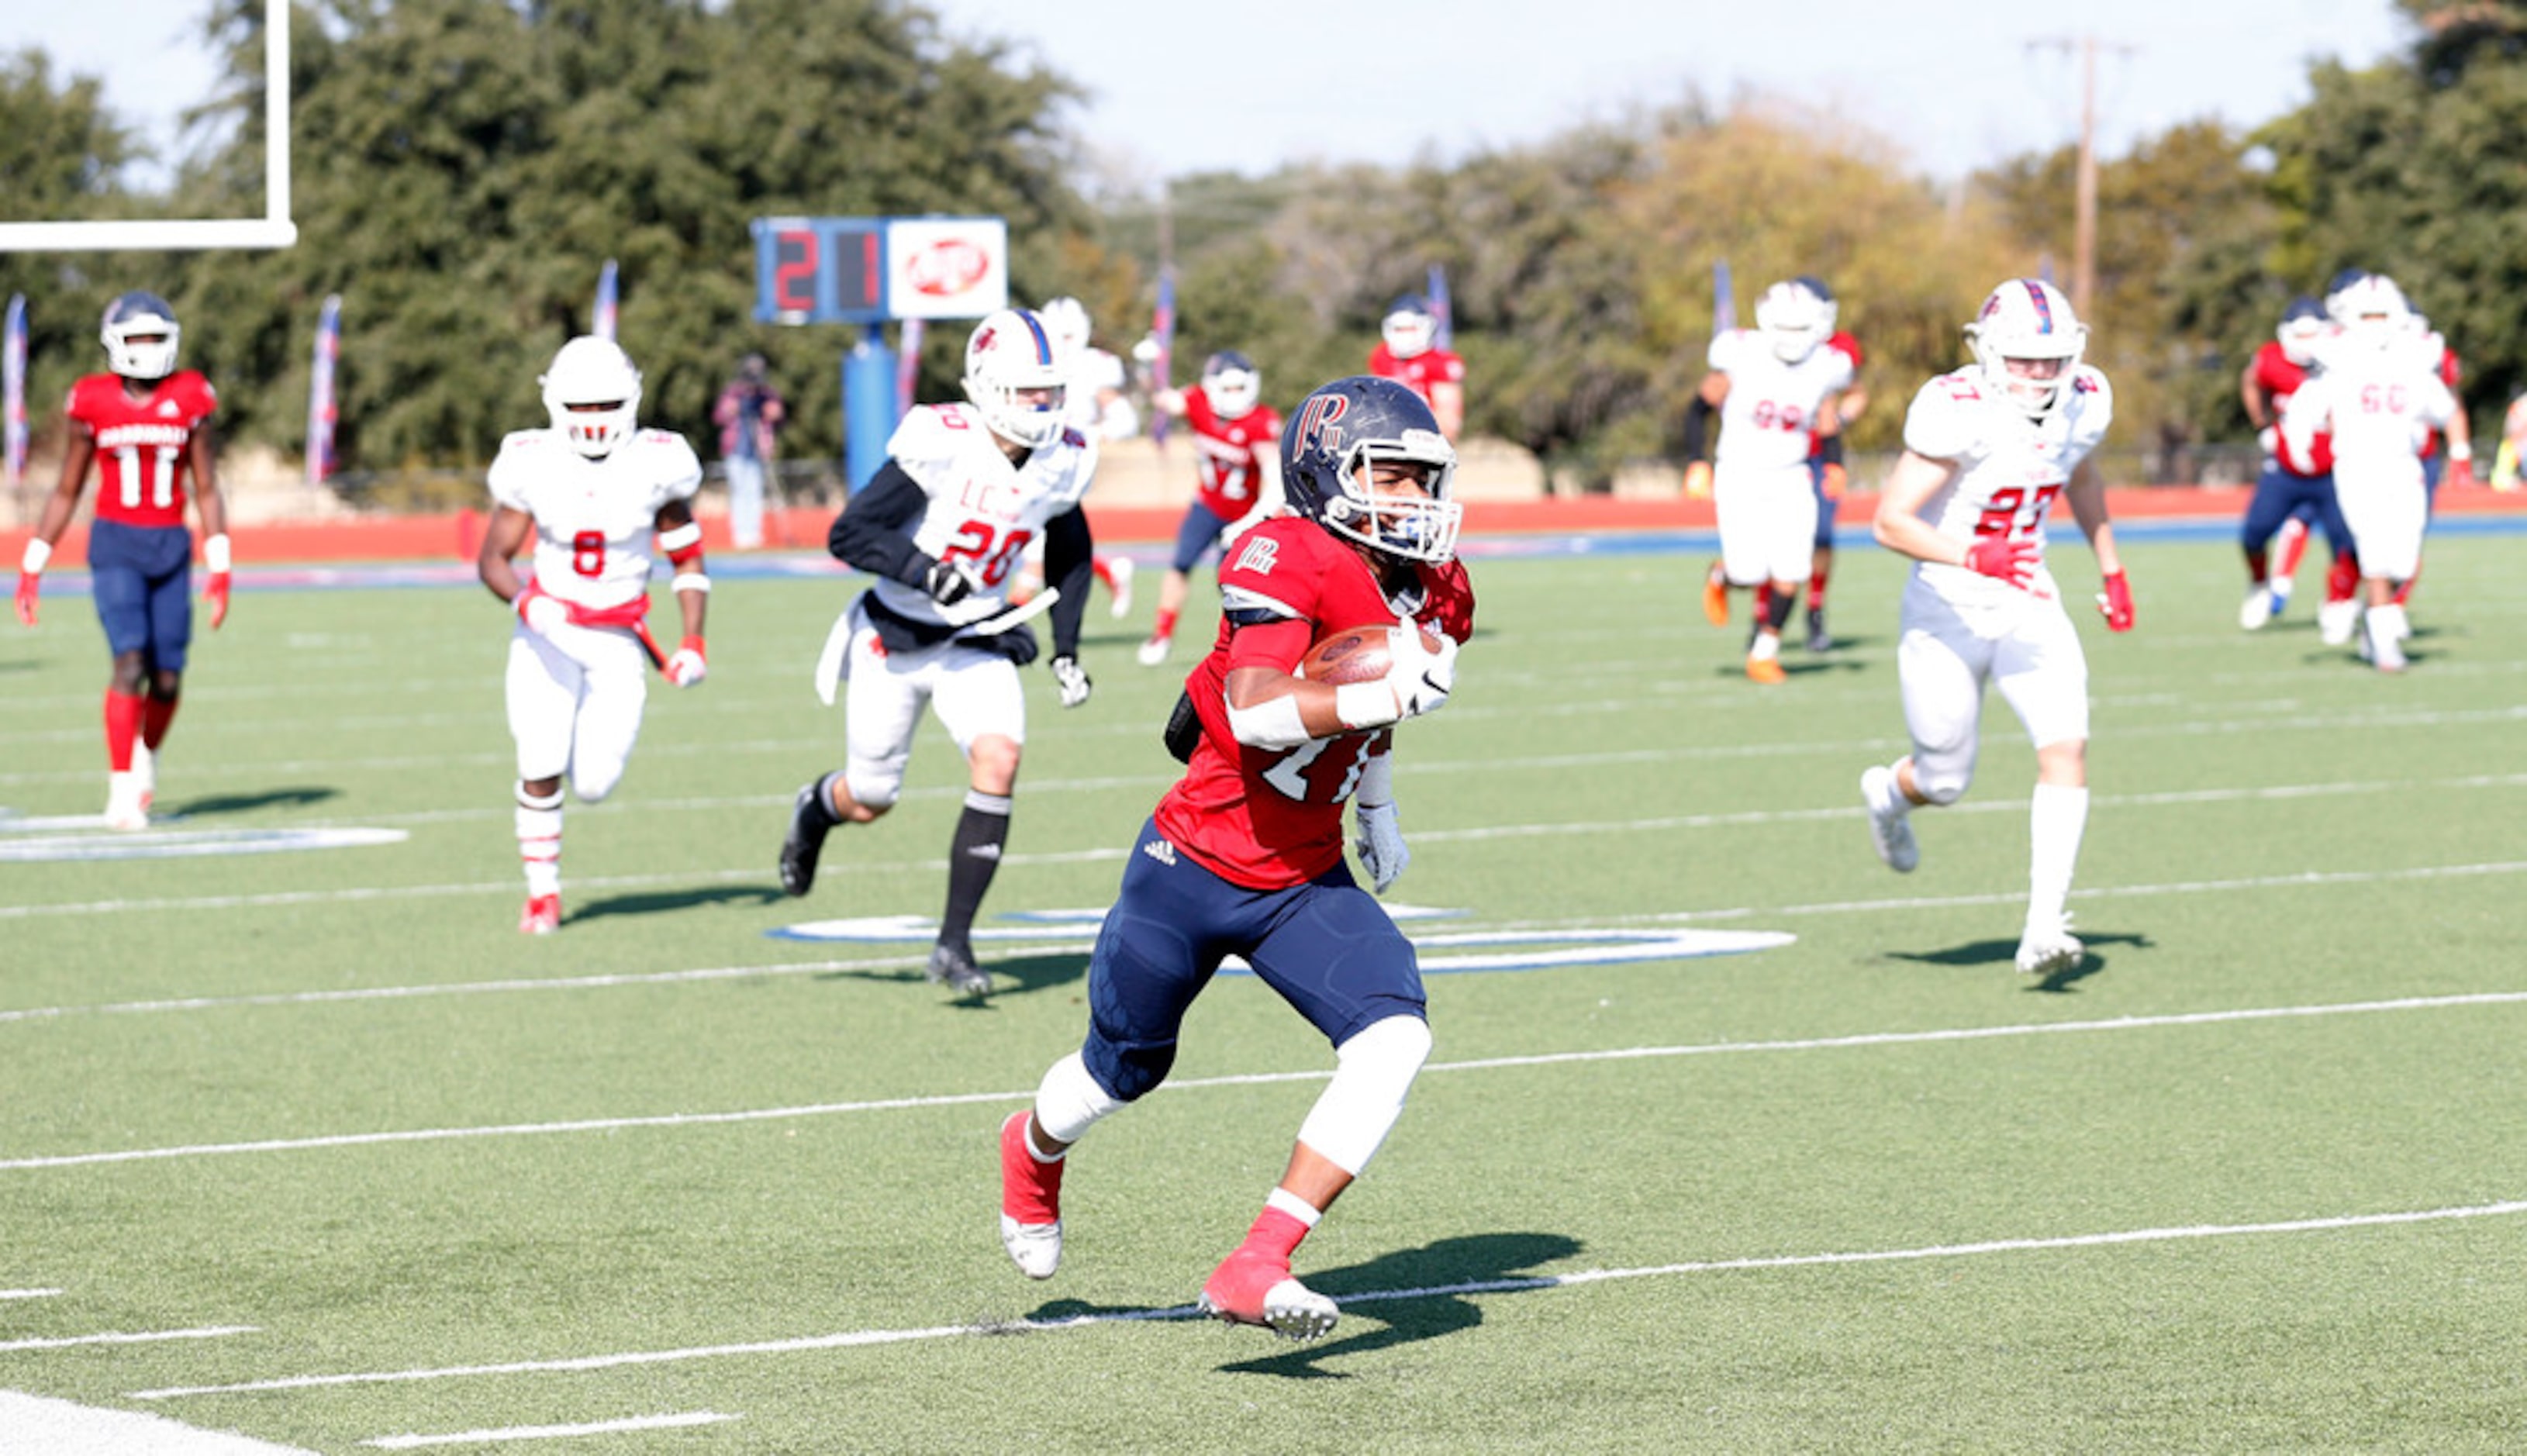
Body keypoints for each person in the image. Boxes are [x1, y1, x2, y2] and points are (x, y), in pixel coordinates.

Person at [996, 374, 1472, 1344]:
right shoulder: (1281, 547)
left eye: (1425, 482)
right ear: (1324, 475)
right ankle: (1031, 1149)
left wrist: (1376, 805)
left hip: (1302, 878)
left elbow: (1370, 720)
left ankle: (1259, 1258)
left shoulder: (1438, 589)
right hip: (1194, 862)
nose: (1414, 504)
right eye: (1391, 478)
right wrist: (1381, 699)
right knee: (1116, 1074)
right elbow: (1258, 712)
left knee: (1396, 1036)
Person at [777, 308, 1100, 998]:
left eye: (1049, 391)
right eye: (1025, 391)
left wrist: (1065, 646)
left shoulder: (1064, 457)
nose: (1041, 407)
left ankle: (954, 943)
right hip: (892, 634)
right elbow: (851, 533)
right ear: (984, 386)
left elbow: (1072, 548)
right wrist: (925, 570)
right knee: (869, 797)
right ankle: (815, 807)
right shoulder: (942, 440)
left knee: (999, 759)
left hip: (975, 636)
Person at [1857, 278, 2132, 978]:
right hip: (1946, 603)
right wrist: (1973, 554)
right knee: (1945, 780)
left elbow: (2081, 474)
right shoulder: (1956, 410)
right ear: (1986, 354)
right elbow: (1889, 521)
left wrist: (2110, 568)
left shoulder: (2086, 399)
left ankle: (2044, 924)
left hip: (2028, 596)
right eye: (2021, 359)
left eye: (2050, 358)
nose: (2038, 373)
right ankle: (1890, 795)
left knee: (2065, 748)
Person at [477, 336, 709, 933]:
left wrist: (692, 642)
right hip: (548, 637)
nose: (593, 419)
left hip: (617, 641)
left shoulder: (658, 461)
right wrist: (529, 605)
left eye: (605, 405)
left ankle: (550, 867)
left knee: (596, 784)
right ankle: (542, 894)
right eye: (580, 406)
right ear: (555, 404)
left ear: (630, 401)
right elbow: (493, 560)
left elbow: (687, 557)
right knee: (539, 757)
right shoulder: (532, 459)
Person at [15, 291, 231, 830]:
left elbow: (206, 486)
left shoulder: (191, 395)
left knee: (167, 680)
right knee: (129, 664)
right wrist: (33, 563)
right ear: (114, 343)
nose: (146, 348)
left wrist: (221, 563)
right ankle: (119, 786)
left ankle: (146, 759)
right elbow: (67, 488)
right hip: (115, 546)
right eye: (136, 337)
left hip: (171, 549)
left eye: (155, 337)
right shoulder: (92, 399)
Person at [2280, 274, 2456, 673]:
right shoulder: (2339, 355)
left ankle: (2375, 620)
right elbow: (2307, 404)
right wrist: (2299, 440)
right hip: (2358, 466)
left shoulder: (2412, 356)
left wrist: (2458, 446)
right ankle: (2383, 641)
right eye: (2368, 313)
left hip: (2403, 464)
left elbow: (2445, 408)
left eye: (2382, 313)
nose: (2375, 321)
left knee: (2405, 560)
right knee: (2375, 551)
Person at [1681, 278, 1852, 684]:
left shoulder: (1825, 364)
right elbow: (1697, 408)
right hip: (1739, 471)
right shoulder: (1741, 354)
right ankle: (1724, 575)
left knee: (1792, 569)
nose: (1794, 339)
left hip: (1792, 475)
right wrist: (1696, 462)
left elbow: (1826, 419)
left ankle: (1765, 652)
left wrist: (1833, 464)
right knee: (1749, 572)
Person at [1136, 350, 1286, 665]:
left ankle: (1253, 647)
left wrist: (1251, 520)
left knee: (1237, 584)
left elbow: (1276, 481)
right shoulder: (1199, 402)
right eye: (1227, 389)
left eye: (1239, 389)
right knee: (1180, 564)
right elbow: (1162, 398)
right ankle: (1161, 635)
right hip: (1208, 504)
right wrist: (1147, 364)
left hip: (1246, 514)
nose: (1233, 397)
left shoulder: (1261, 422)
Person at [2234, 297, 2356, 632]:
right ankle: (2259, 584)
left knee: (2346, 544)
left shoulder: (2344, 362)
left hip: (2333, 471)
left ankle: (2338, 601)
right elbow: (2250, 381)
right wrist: (2262, 426)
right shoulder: (2272, 360)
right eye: (2299, 336)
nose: (2306, 344)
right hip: (2286, 470)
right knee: (2253, 535)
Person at [1034, 296, 1135, 617]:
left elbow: (1124, 419)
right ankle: (1110, 572)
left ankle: (1000, 625)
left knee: (1035, 537)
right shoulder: (1035, 361)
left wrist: (1090, 435)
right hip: (1040, 454)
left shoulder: (1094, 364)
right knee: (1039, 534)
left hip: (1067, 460)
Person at [1796, 274, 1866, 652]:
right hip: (1775, 457)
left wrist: (1840, 420)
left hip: (1822, 454)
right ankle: (1762, 618)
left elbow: (1855, 395)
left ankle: (1815, 611)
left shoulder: (1838, 349)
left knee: (1822, 536)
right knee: (1774, 539)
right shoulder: (1763, 348)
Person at [711, 352, 785, 550]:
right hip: (736, 449)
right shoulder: (733, 393)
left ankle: (753, 535)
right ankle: (741, 535)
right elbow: (718, 417)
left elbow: (779, 416)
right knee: (739, 491)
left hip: (758, 450)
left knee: (754, 491)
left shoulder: (767, 395)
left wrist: (774, 414)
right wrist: (730, 410)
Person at [1366, 295, 1466, 440]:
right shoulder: (1381, 357)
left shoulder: (1441, 362)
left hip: (1425, 439)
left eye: (1411, 329)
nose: (1405, 335)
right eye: (1399, 329)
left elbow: (1449, 423)